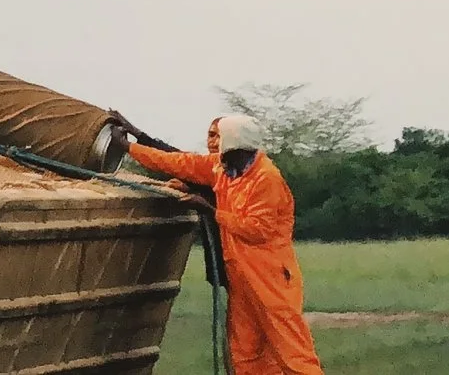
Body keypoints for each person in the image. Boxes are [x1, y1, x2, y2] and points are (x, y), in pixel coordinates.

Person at [129, 114, 324, 375]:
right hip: (241, 280)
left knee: (292, 354)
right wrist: (129, 145)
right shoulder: (222, 169)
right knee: (245, 355)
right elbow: (177, 161)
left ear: (234, 146)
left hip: (271, 280)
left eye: (219, 141)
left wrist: (210, 209)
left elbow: (257, 229)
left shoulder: (267, 178)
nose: (214, 150)